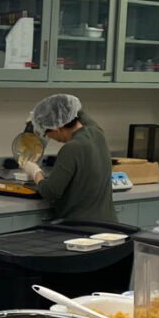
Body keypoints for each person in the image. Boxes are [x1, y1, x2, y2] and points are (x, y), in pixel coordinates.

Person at [18, 94, 116, 223]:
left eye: (46, 133)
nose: (49, 137)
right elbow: (76, 111)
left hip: (82, 229)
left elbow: (50, 191)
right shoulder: (97, 132)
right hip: (109, 225)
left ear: (56, 128)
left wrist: (36, 172)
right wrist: (42, 114)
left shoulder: (71, 148)